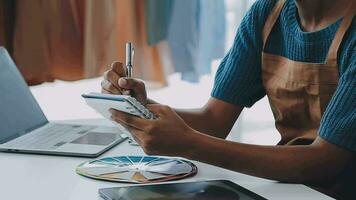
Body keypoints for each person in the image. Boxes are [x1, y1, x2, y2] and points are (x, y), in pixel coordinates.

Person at [101, 0, 355, 199]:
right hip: (296, 189)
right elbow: (213, 120)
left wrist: (189, 144)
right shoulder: (267, 14)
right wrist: (141, 108)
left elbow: (325, 162)